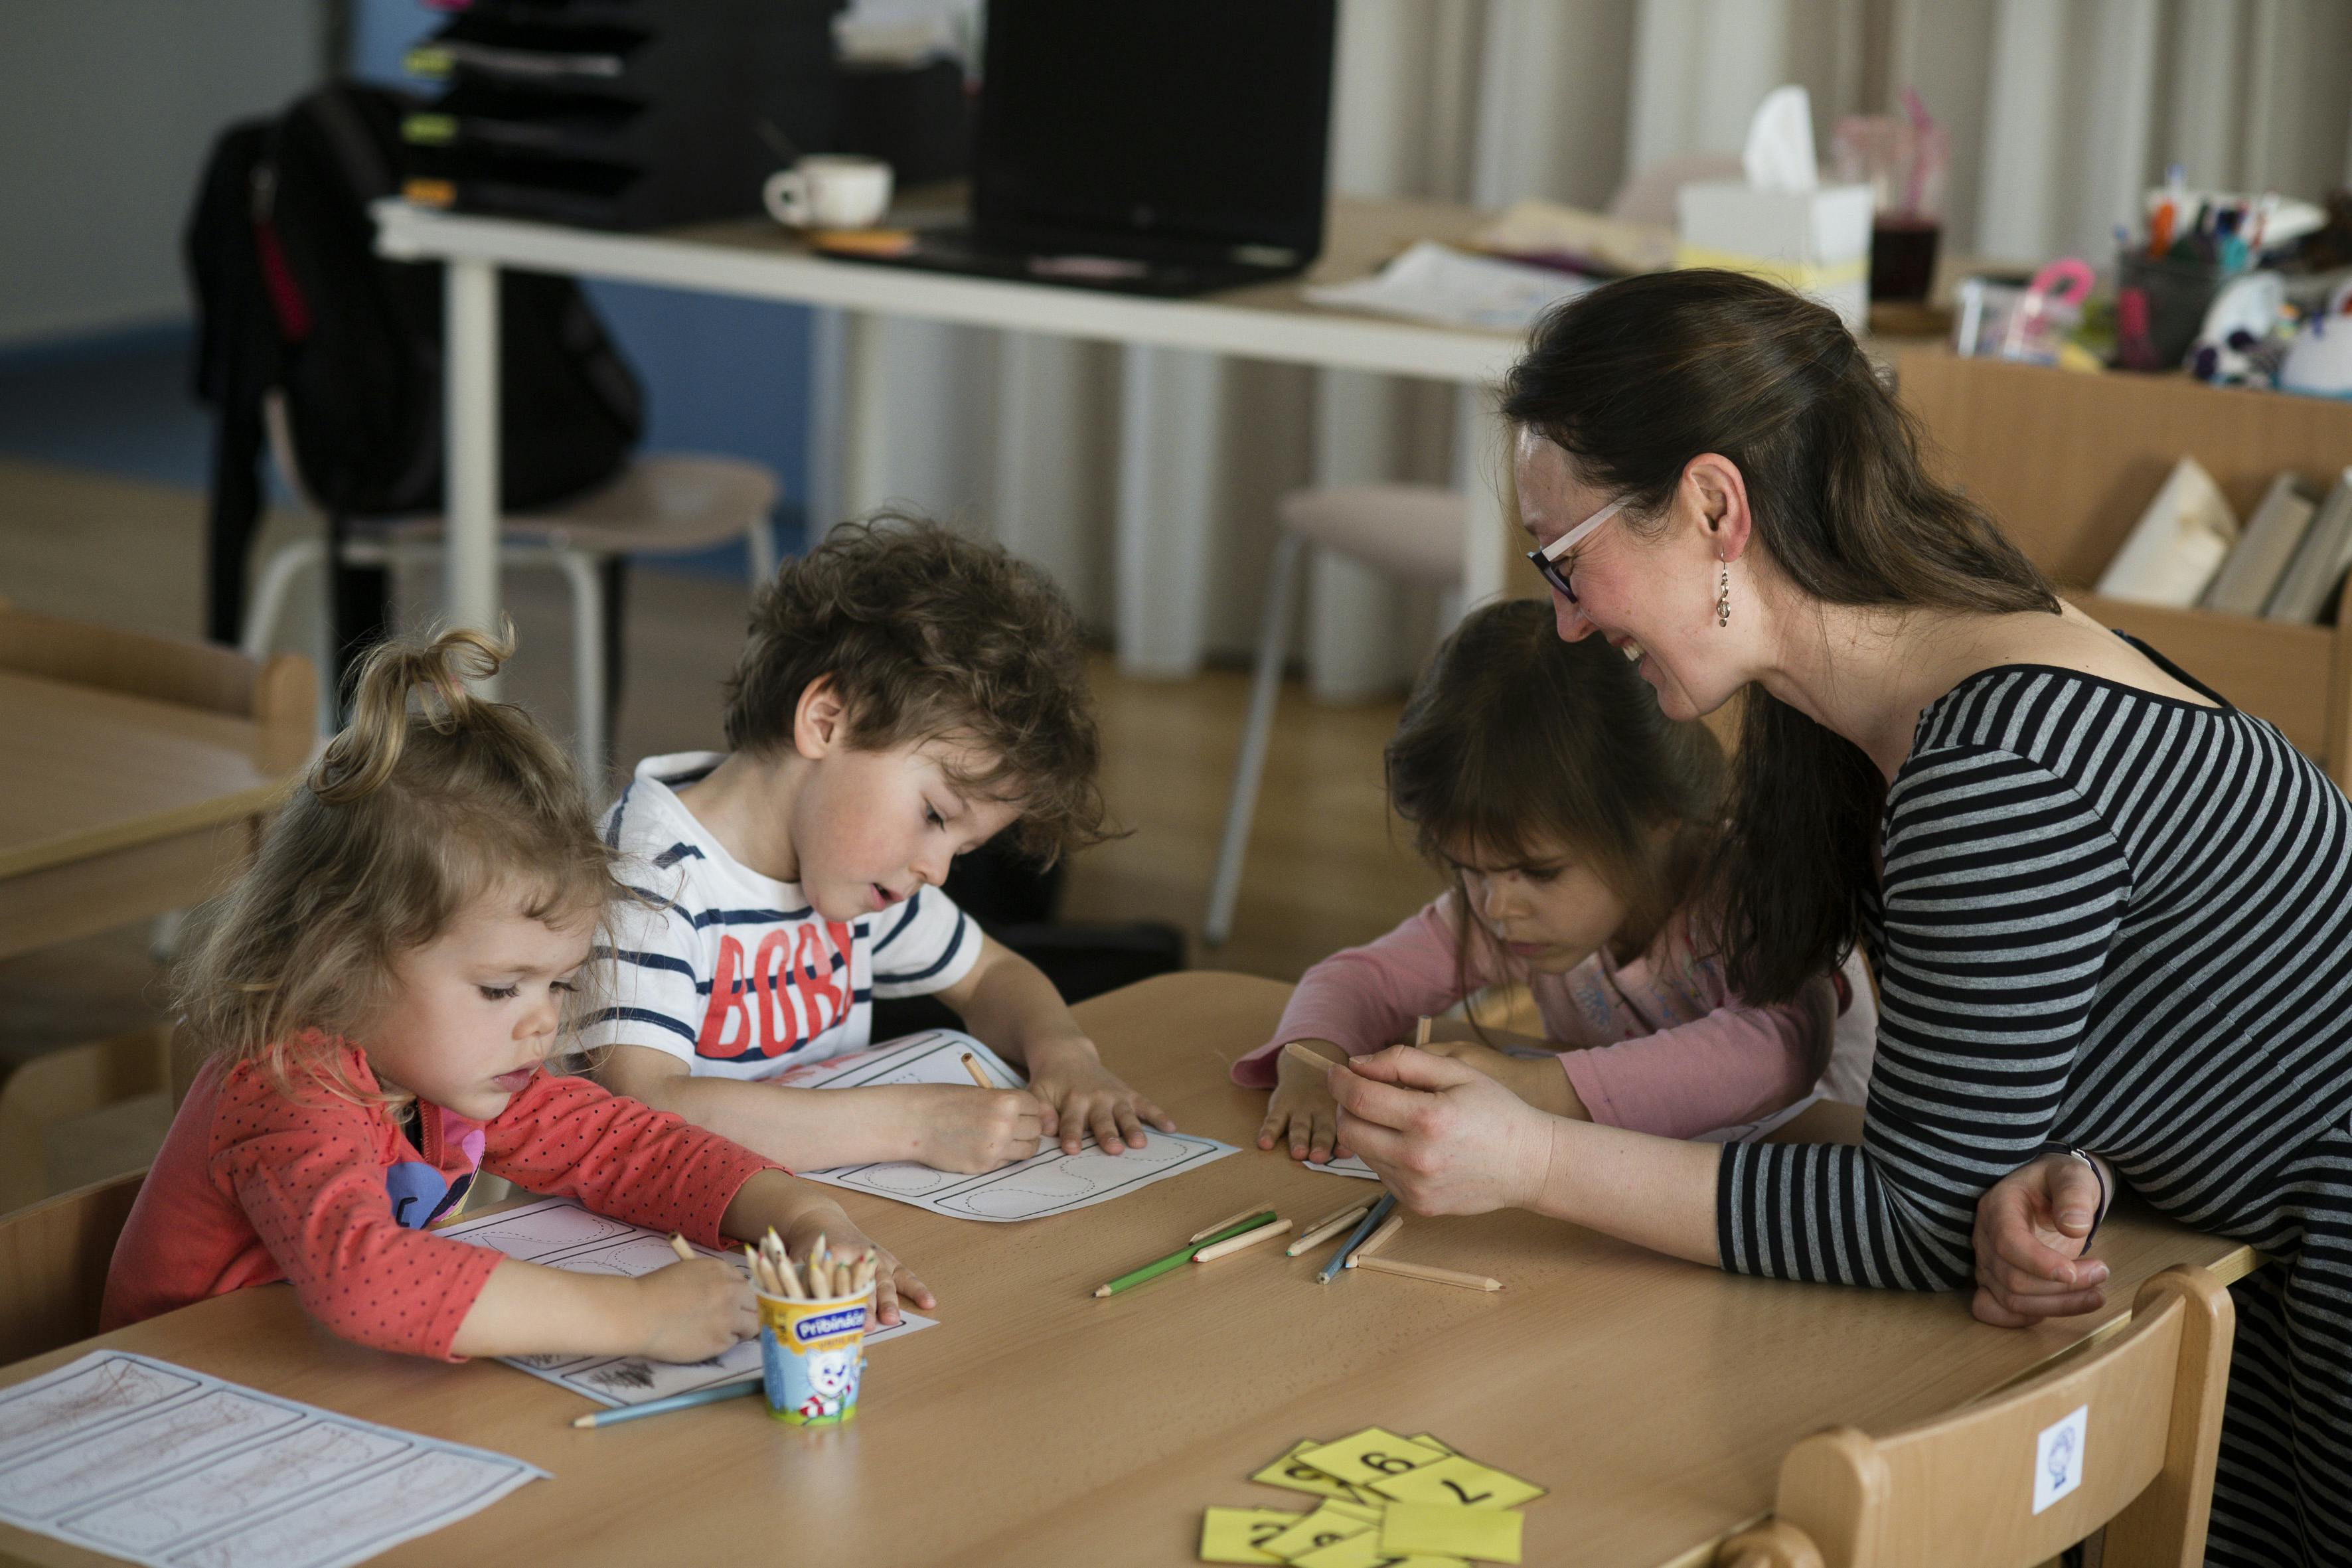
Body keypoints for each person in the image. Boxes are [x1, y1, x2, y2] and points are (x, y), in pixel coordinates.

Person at [1324, 269, 2352, 1567]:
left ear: (1712, 504)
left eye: (1566, 561)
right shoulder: (1921, 669)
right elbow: (2139, 1039)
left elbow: (1910, 1217)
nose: (1568, 623)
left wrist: (1532, 1156)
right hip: (2238, 1241)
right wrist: (2072, 1168)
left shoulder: (1995, 766)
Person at [104, 629, 929, 1362]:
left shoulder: (446, 1068)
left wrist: (803, 1214)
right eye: (501, 987)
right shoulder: (289, 1087)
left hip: (319, 1399)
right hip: (169, 1417)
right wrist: (635, 1314)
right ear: (341, 958)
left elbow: (625, 1147)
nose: (543, 1023)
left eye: (560, 981)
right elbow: (366, 1279)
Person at [589, 516, 1174, 1173]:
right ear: (827, 721)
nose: (937, 868)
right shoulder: (647, 875)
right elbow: (644, 1109)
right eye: (934, 813)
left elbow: (994, 975)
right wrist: (912, 1125)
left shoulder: (851, 869)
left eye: (964, 845)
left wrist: (1064, 1052)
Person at [1235, 597, 1873, 1162]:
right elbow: (1358, 980)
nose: (1497, 908)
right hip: (1640, 1180)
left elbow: (1777, 1052)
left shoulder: (1750, 883)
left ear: (1654, 822)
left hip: (1812, 1179)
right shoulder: (1509, 904)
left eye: (1536, 872)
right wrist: (1314, 1062)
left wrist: (1540, 1087)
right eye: (1468, 870)